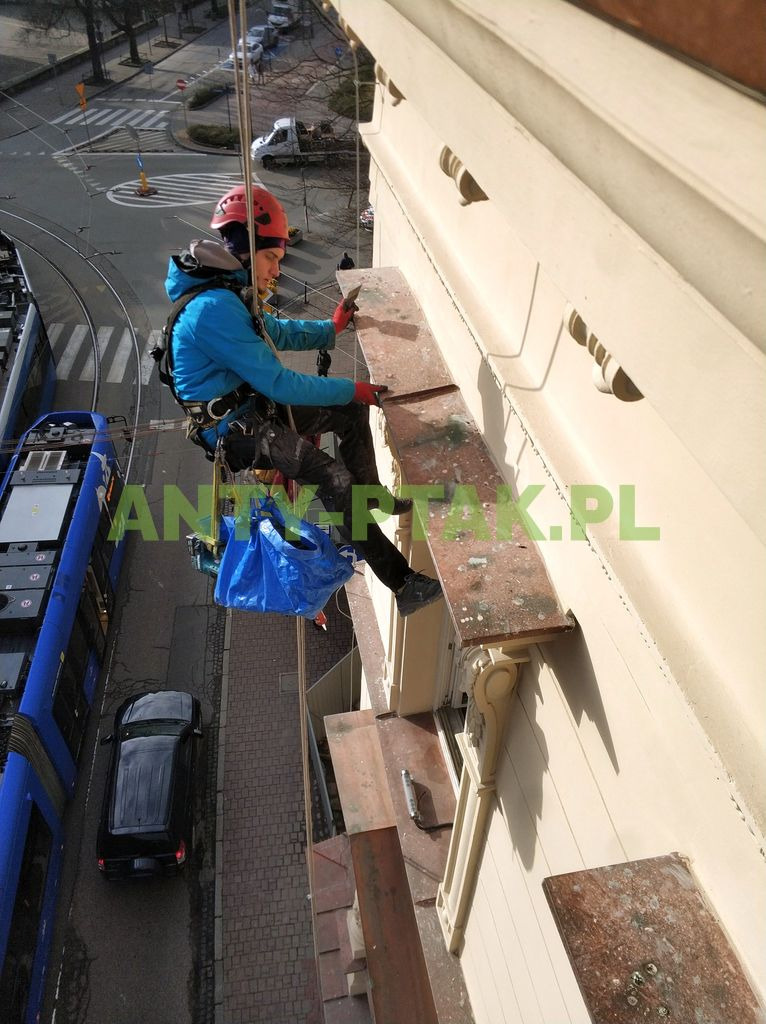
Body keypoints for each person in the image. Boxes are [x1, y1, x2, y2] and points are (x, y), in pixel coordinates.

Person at [164, 185, 442, 617]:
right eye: (271, 257)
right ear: (245, 248)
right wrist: (355, 387)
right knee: (332, 478)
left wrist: (331, 329)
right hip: (236, 433)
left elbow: (280, 331)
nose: (276, 268)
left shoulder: (228, 294)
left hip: (251, 412)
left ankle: (370, 497)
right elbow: (281, 383)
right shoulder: (212, 309)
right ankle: (402, 582)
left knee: (348, 415)